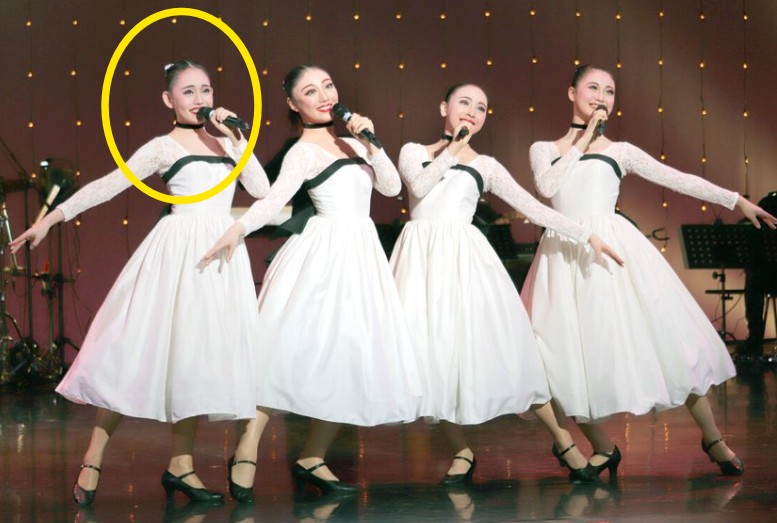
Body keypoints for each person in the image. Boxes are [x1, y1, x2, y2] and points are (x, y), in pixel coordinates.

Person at [10, 60, 270, 505]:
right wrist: (51, 220)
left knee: (193, 359)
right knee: (134, 353)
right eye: (188, 92)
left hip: (221, 256)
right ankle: (93, 456)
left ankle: (181, 466)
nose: (200, 99)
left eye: (206, 90)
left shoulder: (229, 141)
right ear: (169, 100)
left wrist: (237, 137)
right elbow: (108, 185)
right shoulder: (163, 147)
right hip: (179, 252)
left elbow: (262, 189)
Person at [522, 64, 777, 478]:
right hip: (564, 255)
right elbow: (547, 187)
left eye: (609, 91)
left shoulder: (620, 151)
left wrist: (736, 201)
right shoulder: (543, 148)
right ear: (572, 93)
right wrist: (584, 138)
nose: (601, 97)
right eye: (593, 88)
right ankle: (603, 447)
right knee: (562, 355)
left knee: (666, 341)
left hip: (613, 253)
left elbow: (678, 179)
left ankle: (712, 437)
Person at [200, 64, 422, 494]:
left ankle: (313, 456)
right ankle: (247, 446)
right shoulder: (302, 152)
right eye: (310, 91)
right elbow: (273, 201)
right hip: (323, 254)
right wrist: (237, 229)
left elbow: (392, 188)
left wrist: (371, 143)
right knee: (287, 353)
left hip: (362, 257)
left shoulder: (354, 142)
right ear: (292, 104)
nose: (323, 96)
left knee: (351, 357)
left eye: (328, 86)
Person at [389, 83, 622, 485]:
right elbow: (420, 186)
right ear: (444, 107)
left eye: (481, 108)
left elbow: (532, 207)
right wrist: (454, 147)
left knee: (510, 352)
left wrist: (585, 235)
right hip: (420, 263)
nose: (472, 112)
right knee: (431, 356)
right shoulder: (414, 151)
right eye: (465, 103)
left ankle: (563, 440)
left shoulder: (487, 166)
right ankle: (461, 451)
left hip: (466, 263)